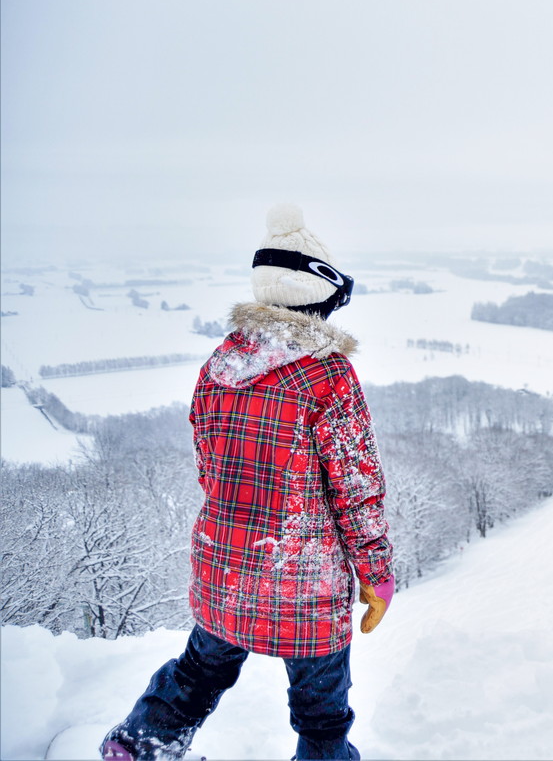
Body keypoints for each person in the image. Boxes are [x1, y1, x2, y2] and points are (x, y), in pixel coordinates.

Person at [101, 204, 394, 761]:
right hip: (302, 582)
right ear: (320, 298)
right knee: (322, 715)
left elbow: (210, 466)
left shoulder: (220, 364)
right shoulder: (328, 376)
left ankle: (136, 750)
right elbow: (358, 490)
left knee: (196, 674)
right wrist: (376, 576)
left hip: (224, 567)